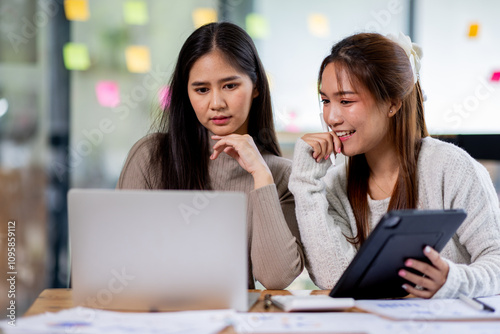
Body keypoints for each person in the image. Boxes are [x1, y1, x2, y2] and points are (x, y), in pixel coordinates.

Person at [289, 32, 500, 298]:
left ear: (392, 104)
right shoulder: (334, 184)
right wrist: (306, 183)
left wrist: (451, 280)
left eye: (346, 101)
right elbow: (334, 280)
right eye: (325, 101)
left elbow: (497, 259)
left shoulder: (450, 167)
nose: (331, 117)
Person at [117, 22, 303, 289]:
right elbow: (120, 260)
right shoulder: (151, 156)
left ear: (257, 86)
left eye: (229, 86)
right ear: (187, 94)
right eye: (202, 90)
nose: (216, 103)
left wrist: (261, 175)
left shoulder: (280, 174)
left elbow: (275, 278)